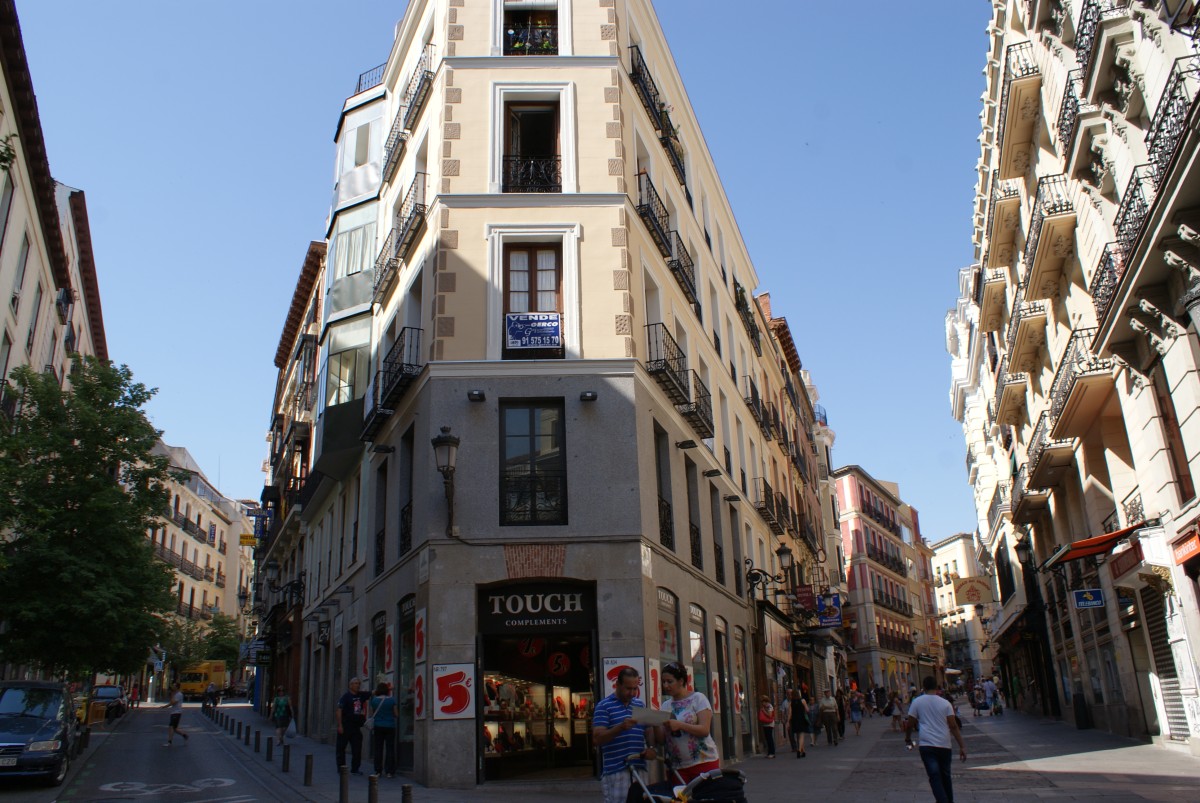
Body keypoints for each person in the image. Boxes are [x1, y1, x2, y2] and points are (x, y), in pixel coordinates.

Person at [592, 667, 652, 803]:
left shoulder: (639, 705)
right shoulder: (604, 706)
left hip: (639, 769)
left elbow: (648, 733)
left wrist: (651, 748)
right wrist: (620, 728)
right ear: (618, 684)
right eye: (628, 688)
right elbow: (597, 739)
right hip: (617, 772)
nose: (632, 693)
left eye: (635, 689)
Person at [905, 677, 967, 803]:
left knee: (934, 776)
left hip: (927, 745)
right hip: (944, 744)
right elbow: (953, 726)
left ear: (923, 687)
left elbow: (910, 723)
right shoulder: (945, 703)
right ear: (936, 687)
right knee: (945, 775)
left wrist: (908, 738)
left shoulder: (917, 702)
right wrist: (962, 746)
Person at [658, 662, 720, 784]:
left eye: (670, 681)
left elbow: (704, 730)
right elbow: (661, 740)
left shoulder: (698, 699)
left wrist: (680, 725)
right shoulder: (665, 706)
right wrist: (653, 723)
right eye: (663, 682)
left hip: (703, 761)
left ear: (681, 681)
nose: (666, 685)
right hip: (677, 766)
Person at [335, 677, 372, 775]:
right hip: (345, 726)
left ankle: (355, 769)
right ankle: (341, 768)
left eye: (359, 683)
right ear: (350, 685)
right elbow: (339, 710)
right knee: (341, 748)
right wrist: (340, 725)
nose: (358, 685)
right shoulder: (345, 697)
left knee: (357, 748)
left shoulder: (361, 695)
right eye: (355, 683)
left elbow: (372, 693)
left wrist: (385, 688)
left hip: (356, 727)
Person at [369, 682, 398, 778]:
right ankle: (389, 771)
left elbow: (372, 714)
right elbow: (396, 714)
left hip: (378, 726)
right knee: (390, 748)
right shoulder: (392, 700)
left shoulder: (374, 700)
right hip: (390, 726)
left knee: (378, 748)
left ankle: (378, 770)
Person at [789, 690, 808, 758]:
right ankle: (799, 750)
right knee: (801, 735)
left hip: (794, 720)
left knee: (798, 735)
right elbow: (807, 710)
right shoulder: (803, 701)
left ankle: (803, 751)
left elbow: (790, 713)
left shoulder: (791, 702)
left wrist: (788, 722)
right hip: (801, 719)